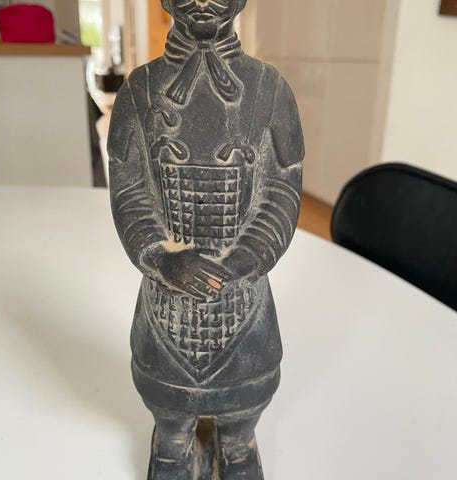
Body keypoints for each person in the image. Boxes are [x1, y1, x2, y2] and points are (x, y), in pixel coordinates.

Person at [108, 1, 304, 478]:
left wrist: (247, 258)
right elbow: (129, 188)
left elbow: (282, 187)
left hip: (242, 290)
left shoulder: (269, 87)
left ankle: (237, 443)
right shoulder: (139, 88)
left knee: (247, 390)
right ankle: (172, 443)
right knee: (166, 395)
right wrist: (161, 259)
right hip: (167, 292)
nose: (202, 2)